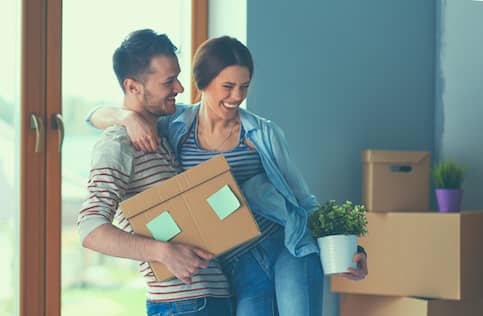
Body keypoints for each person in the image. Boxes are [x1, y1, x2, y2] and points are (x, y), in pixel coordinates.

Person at [88, 35, 368, 315]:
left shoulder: (259, 133)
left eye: (244, 87)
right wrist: (126, 118)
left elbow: (302, 199)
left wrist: (345, 249)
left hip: (282, 247)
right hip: (235, 264)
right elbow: (93, 117)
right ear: (203, 83)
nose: (237, 96)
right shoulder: (172, 126)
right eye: (228, 86)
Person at [77, 29, 234, 316]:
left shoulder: (166, 128)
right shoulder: (117, 144)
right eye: (168, 81)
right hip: (183, 304)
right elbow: (90, 230)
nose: (179, 88)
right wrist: (163, 253)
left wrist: (127, 117)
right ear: (133, 87)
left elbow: (92, 115)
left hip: (210, 299)